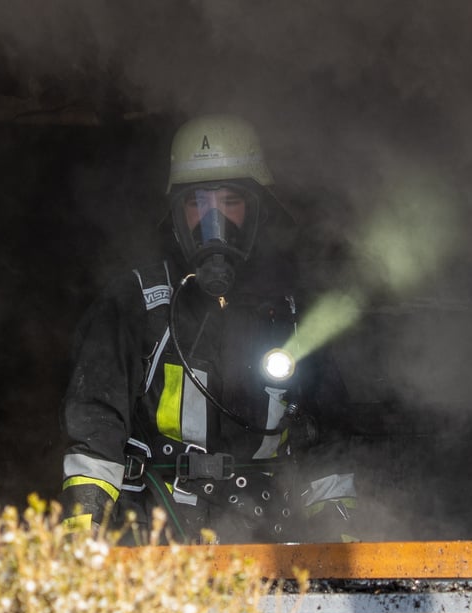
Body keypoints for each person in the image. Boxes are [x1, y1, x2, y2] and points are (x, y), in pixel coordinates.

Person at [59, 114, 357, 544]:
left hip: (267, 537)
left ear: (257, 212)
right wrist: (83, 531)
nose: (212, 221)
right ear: (176, 215)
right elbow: (94, 426)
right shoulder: (136, 303)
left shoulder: (292, 315)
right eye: (197, 204)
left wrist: (338, 544)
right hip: (157, 539)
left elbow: (325, 443)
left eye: (230, 202)